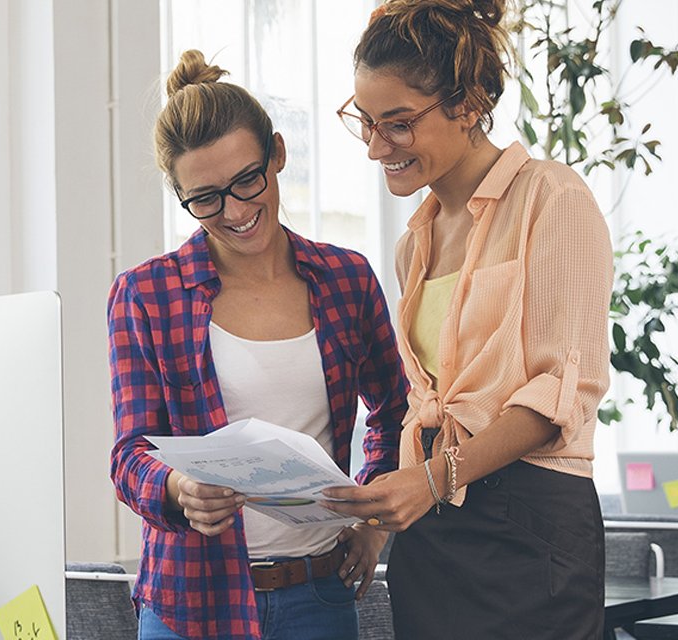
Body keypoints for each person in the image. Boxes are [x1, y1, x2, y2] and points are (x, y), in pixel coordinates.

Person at [320, 2, 614, 638]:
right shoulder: (414, 244)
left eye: (397, 125)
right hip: (432, 532)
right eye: (365, 124)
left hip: (530, 521)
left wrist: (431, 479)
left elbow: (561, 395)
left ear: (471, 102)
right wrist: (377, 528)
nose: (376, 148)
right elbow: (421, 404)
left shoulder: (551, 198)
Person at [108, 49, 409, 640]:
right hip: (190, 602)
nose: (237, 211)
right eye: (207, 198)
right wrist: (176, 488)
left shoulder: (346, 279)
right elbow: (129, 454)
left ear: (277, 152)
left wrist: (373, 519)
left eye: (248, 180)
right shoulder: (146, 294)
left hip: (319, 595)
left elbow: (397, 413)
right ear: (183, 197)